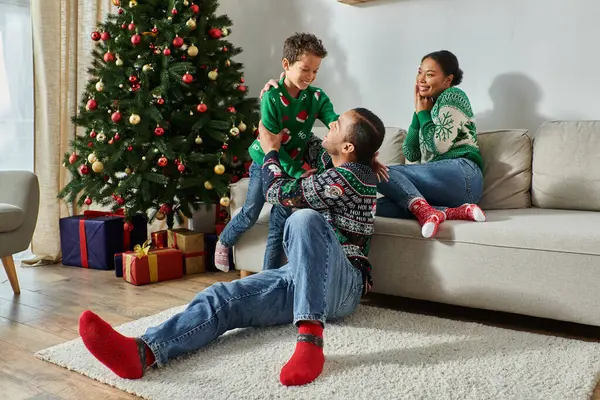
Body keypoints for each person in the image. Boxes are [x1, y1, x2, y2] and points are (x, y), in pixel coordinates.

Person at [77, 107, 386, 387]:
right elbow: (308, 140)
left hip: (344, 285)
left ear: (348, 148)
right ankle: (143, 352)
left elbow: (279, 192)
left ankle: (310, 341)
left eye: (339, 123)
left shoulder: (349, 177)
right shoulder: (335, 161)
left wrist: (270, 153)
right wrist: (275, 100)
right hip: (302, 277)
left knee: (304, 219)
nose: (330, 124)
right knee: (221, 296)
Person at [214, 32, 340, 272]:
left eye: (315, 71)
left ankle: (269, 277)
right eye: (305, 69)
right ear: (286, 64)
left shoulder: (315, 97)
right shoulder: (271, 98)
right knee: (250, 212)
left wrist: (337, 124)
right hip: (266, 162)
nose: (310, 76)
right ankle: (224, 241)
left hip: (291, 170)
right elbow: (270, 144)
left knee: (278, 224)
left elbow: (329, 114)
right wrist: (296, 172)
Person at [376, 50, 486, 239]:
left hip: (463, 175)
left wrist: (422, 114)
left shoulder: (453, 95)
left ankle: (428, 210)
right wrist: (418, 112)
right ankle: (448, 212)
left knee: (376, 171)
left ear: (447, 80)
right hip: (443, 189)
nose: (421, 79)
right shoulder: (427, 107)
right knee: (376, 206)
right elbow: (410, 152)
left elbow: (439, 146)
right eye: (420, 72)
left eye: (430, 74)